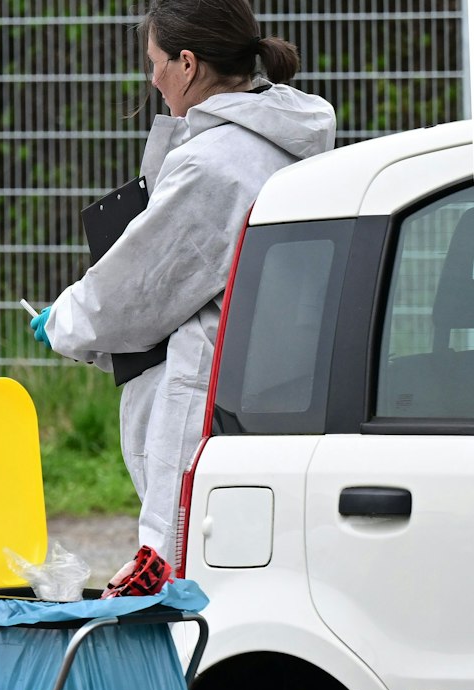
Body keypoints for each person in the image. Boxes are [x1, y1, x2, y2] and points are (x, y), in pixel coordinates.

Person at [29, 0, 334, 561]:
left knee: (183, 572)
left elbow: (139, 290)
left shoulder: (214, 163)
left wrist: (66, 321)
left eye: (155, 62)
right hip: (279, 392)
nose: (152, 78)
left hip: (204, 402)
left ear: (187, 64)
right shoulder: (291, 142)